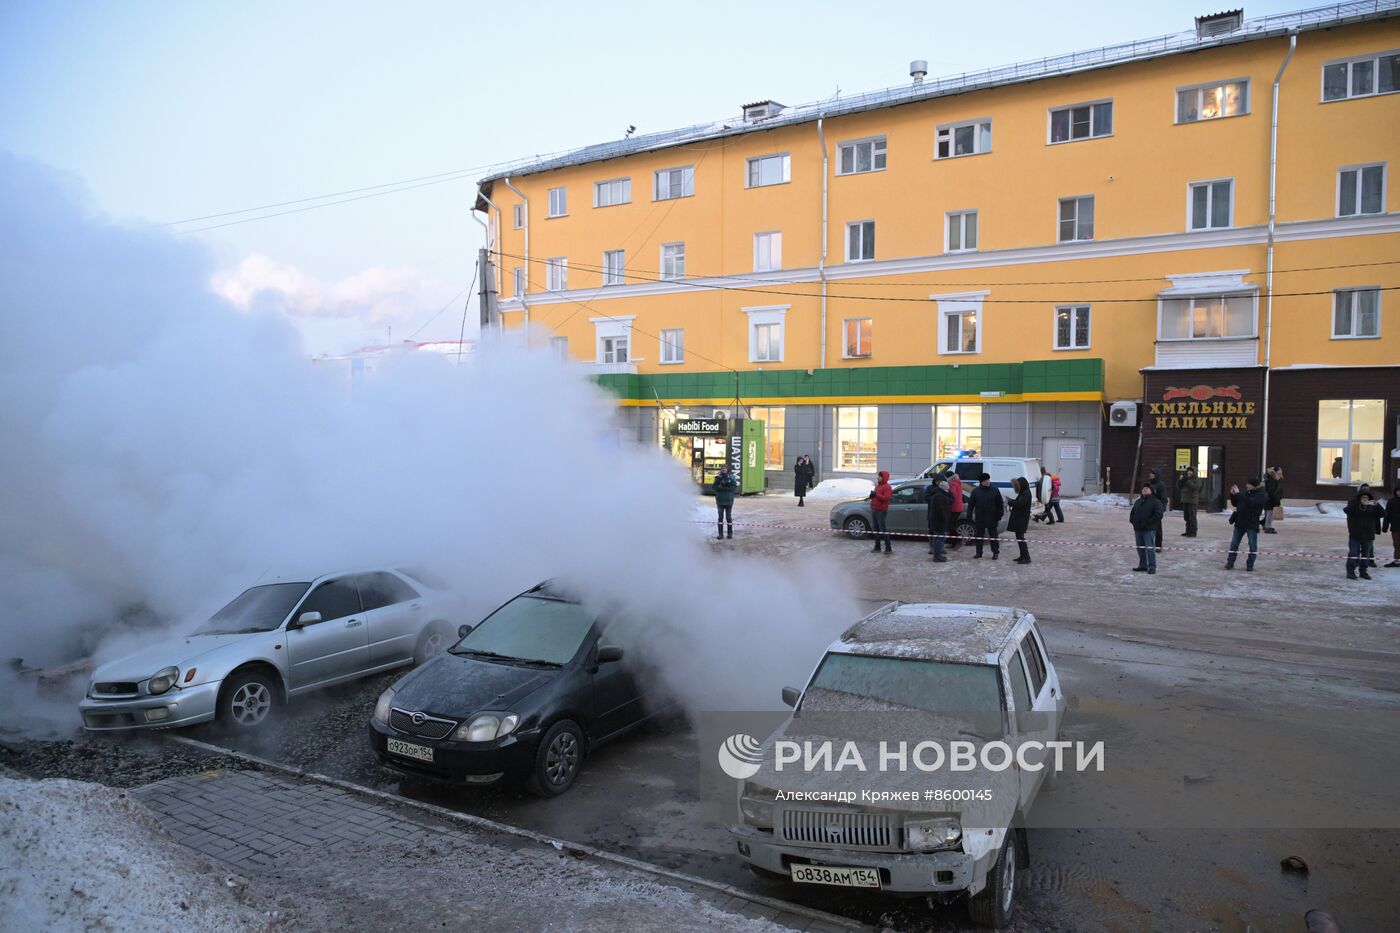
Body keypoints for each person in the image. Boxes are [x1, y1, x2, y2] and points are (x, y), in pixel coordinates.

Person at [1225, 478, 1268, 571]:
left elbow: (1250, 502)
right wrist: (1233, 495)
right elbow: (1236, 502)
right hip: (1240, 522)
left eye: (1248, 484)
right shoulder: (1245, 493)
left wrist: (1238, 494)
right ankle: (1230, 562)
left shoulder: (1261, 495)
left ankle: (1250, 564)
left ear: (1254, 486)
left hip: (1252, 523)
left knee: (1252, 545)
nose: (1246, 485)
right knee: (1234, 544)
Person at [1345, 487, 1381, 580]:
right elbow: (1346, 510)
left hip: (1368, 536)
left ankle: (1363, 572)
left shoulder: (1372, 506)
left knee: (1366, 555)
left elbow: (1383, 514)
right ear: (1359, 498)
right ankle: (1350, 572)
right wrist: (1358, 503)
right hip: (1355, 535)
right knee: (1353, 554)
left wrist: (1377, 505)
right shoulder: (1354, 504)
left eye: (1366, 497)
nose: (1365, 499)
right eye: (1363, 497)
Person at [967, 473, 1004, 560]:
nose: (987, 482)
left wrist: (999, 515)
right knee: (979, 536)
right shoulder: (976, 491)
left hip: (992, 517)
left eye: (988, 480)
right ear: (981, 482)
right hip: (980, 517)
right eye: (985, 481)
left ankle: (995, 552)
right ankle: (978, 552)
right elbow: (971, 504)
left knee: (993, 536)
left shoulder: (995, 490)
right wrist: (969, 515)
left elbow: (1000, 504)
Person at [1130, 483, 1165, 574]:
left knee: (1149, 548)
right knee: (1140, 548)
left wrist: (1149, 523)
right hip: (1138, 529)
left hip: (1149, 529)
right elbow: (1132, 513)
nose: (1144, 489)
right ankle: (1143, 565)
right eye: (1144, 488)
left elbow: (1158, 514)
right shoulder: (1138, 501)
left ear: (1151, 491)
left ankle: (1152, 566)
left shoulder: (1156, 502)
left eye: (1147, 488)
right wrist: (1133, 522)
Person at [926, 477, 952, 562]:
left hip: (936, 521)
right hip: (939, 522)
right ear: (944, 489)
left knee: (938, 538)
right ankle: (937, 556)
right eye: (947, 490)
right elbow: (941, 510)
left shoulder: (937, 495)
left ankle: (938, 555)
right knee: (939, 539)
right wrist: (946, 518)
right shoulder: (939, 496)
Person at [1008, 477, 1033, 564]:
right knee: (1019, 538)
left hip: (1021, 519)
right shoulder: (1024, 492)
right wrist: (1012, 501)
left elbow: (1019, 504)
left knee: (1021, 538)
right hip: (1020, 518)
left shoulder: (1025, 494)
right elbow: (1019, 502)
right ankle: (1023, 555)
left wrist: (1010, 502)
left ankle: (1026, 557)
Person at [869, 470, 893, 554]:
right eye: (878, 476)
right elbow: (876, 496)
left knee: (883, 529)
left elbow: (886, 498)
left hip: (881, 510)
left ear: (883, 478)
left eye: (879, 476)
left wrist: (876, 495)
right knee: (876, 529)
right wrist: (872, 496)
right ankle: (877, 547)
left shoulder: (887, 487)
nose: (877, 478)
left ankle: (888, 548)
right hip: (874, 509)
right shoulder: (878, 486)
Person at [1145, 468, 1168, 552]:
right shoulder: (1148, 484)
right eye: (1150, 473)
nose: (1150, 474)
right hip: (1148, 509)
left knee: (1157, 529)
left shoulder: (1161, 485)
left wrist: (1162, 509)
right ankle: (1148, 545)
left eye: (1152, 473)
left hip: (1157, 510)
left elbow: (1164, 498)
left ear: (1156, 475)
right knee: (1147, 528)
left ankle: (1158, 546)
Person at [712, 465, 737, 540]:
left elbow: (734, 487)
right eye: (722, 469)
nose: (723, 470)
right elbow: (713, 487)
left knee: (728, 517)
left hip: (729, 500)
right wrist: (720, 487)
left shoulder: (731, 477)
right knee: (720, 518)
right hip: (720, 501)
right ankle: (720, 534)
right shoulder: (718, 478)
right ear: (721, 469)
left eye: (725, 468)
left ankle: (730, 534)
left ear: (727, 469)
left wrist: (727, 487)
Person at [1178, 466, 1201, 538]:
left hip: (1192, 500)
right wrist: (1180, 480)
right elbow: (1179, 486)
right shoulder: (1186, 479)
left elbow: (1196, 487)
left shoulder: (1197, 480)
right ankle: (1188, 531)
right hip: (1185, 500)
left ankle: (1193, 532)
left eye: (1191, 471)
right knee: (1187, 517)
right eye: (1188, 471)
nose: (1189, 472)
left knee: (1192, 517)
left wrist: (1187, 481)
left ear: (1194, 473)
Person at [1383, 485, 1400, 568]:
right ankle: (1397, 561)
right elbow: (1387, 515)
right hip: (1396, 527)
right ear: (1395, 492)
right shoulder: (1391, 502)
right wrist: (1385, 526)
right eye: (1398, 490)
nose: (1399, 492)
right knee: (1396, 544)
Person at [1262, 466, 1283, 534]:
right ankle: (1268, 527)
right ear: (1275, 472)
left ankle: (1266, 525)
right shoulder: (1272, 480)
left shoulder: (1269, 479)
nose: (1281, 472)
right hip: (1270, 500)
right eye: (1279, 470)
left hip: (1268, 499)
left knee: (1268, 513)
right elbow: (1271, 492)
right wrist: (1276, 500)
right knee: (1269, 513)